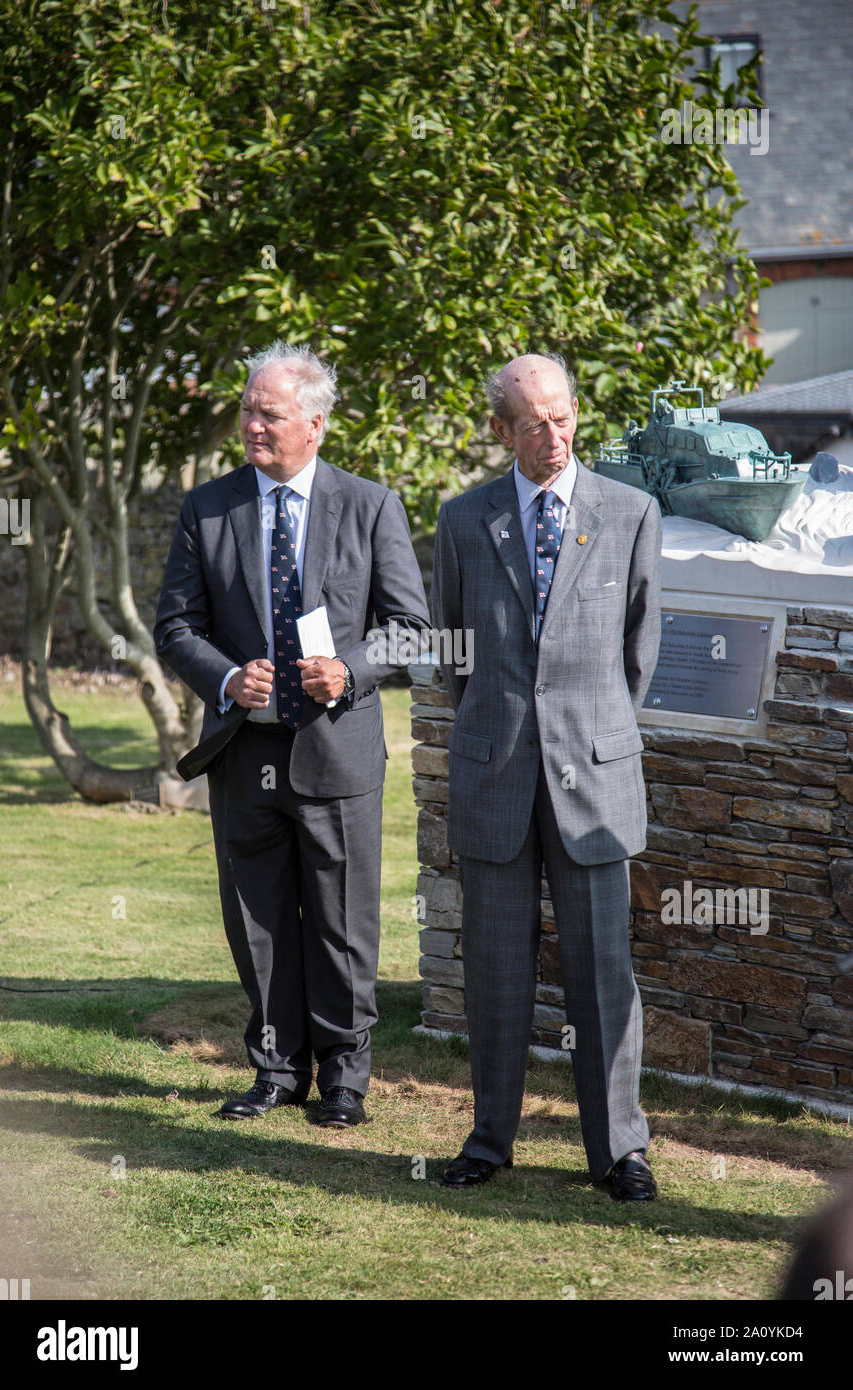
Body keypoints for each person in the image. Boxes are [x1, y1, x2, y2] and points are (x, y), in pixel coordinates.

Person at [155, 342, 430, 1127]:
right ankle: (276, 1070)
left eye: (267, 414)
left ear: (313, 425)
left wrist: (349, 668)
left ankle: (344, 1079)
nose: (250, 425)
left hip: (337, 750)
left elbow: (408, 629)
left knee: (342, 921)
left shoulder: (371, 506)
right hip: (244, 750)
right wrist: (224, 678)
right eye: (246, 409)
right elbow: (176, 626)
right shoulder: (207, 508)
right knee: (259, 920)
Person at [431, 352, 662, 1199]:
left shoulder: (632, 512)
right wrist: (504, 730)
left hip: (594, 781)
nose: (554, 436)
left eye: (564, 417)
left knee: (604, 975)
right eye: (534, 423)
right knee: (494, 970)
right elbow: (456, 659)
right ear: (501, 430)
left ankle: (618, 1152)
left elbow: (638, 657)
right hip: (495, 775)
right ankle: (490, 1141)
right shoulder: (463, 522)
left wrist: (586, 734)